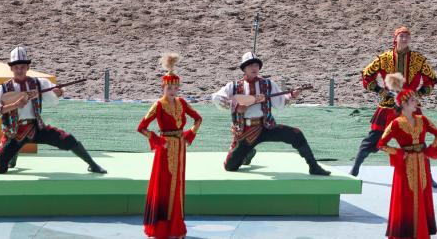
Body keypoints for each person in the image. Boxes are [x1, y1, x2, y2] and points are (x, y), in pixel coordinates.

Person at [0, 46, 106, 175]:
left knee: (68, 139)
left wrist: (59, 92)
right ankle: (14, 152)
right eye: (16, 67)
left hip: (36, 128)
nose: (19, 70)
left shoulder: (39, 83)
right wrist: (15, 105)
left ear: (28, 67)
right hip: (13, 132)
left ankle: (92, 164)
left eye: (22, 67)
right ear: (11, 68)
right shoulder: (2, 89)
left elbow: (53, 97)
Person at [211, 52, 330, 175]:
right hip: (246, 131)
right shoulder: (234, 86)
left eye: (256, 65)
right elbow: (217, 97)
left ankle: (313, 166)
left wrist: (292, 95)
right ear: (244, 69)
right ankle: (248, 152)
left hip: (266, 126)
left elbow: (280, 102)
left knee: (296, 134)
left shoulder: (268, 84)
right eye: (250, 65)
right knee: (230, 167)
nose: (254, 68)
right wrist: (232, 104)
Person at [351, 27, 437, 177]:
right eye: (401, 36)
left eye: (407, 36)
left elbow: (431, 81)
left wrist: (419, 93)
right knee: (373, 138)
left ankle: (427, 176)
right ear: (395, 39)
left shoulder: (419, 59)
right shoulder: (384, 58)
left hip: (410, 106)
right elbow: (367, 75)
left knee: (418, 142)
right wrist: (380, 91)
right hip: (389, 104)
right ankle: (355, 168)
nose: (404, 39)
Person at [137, 53, 202, 239]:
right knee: (164, 185)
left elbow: (198, 119)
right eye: (169, 88)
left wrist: (190, 134)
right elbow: (141, 127)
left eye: (175, 88)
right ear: (163, 87)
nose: (172, 91)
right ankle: (162, 229)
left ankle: (176, 227)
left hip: (180, 148)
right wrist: (157, 140)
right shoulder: (158, 105)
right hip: (165, 149)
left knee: (178, 185)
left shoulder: (182, 102)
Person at [377, 72, 437, 239]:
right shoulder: (396, 124)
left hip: (421, 164)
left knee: (421, 195)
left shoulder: (423, 119)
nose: (417, 103)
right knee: (404, 198)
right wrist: (399, 152)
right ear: (404, 104)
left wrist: (430, 149)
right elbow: (381, 144)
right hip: (404, 167)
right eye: (413, 100)